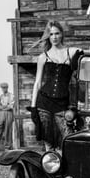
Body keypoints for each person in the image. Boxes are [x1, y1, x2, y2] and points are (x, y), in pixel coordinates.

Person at [31, 21, 82, 152]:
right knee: (48, 143)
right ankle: (51, 164)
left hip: (62, 103)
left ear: (62, 34)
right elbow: (37, 83)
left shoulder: (70, 52)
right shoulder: (43, 57)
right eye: (51, 34)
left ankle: (65, 164)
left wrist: (80, 53)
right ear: (48, 36)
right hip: (44, 102)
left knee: (67, 139)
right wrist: (33, 107)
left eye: (57, 33)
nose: (54, 37)